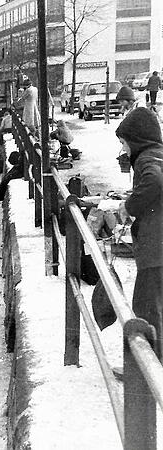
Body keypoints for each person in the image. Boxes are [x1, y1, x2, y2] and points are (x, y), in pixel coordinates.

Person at [118, 107, 163, 359]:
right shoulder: (158, 154)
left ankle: (146, 370)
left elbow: (155, 182)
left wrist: (130, 206)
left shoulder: (146, 159)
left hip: (155, 246)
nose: (124, 150)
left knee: (146, 308)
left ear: (137, 140)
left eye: (124, 143)